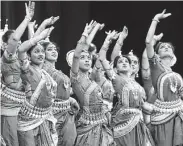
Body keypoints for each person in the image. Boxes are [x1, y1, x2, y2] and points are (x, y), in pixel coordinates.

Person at [99, 30, 155, 146]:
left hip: (139, 124)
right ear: (116, 69)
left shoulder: (139, 87)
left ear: (131, 67)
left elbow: (143, 106)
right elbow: (102, 58)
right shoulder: (116, 79)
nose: (124, 63)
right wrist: (107, 41)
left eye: (127, 62)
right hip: (121, 124)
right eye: (120, 62)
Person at [69, 20, 115, 146]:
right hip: (86, 125)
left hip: (102, 122)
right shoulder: (75, 77)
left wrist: (107, 41)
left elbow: (100, 58)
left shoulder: (92, 77)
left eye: (89, 58)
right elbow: (77, 55)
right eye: (83, 58)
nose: (87, 60)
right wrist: (85, 34)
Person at [17, 19, 58, 146]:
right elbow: (21, 50)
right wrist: (39, 35)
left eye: (42, 51)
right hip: (28, 121)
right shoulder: (27, 69)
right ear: (29, 56)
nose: (40, 54)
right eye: (36, 52)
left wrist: (40, 28)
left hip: (45, 118)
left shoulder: (45, 73)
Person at [145, 9, 183, 146]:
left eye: (169, 47)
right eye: (162, 47)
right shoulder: (156, 68)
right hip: (163, 119)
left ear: (173, 54)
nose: (166, 48)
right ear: (157, 54)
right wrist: (155, 19)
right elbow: (148, 43)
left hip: (179, 117)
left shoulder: (177, 75)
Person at [1, 2, 35, 146]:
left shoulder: (22, 59)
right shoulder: (7, 59)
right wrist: (26, 19)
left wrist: (31, 28)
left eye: (22, 40)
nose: (19, 43)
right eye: (15, 41)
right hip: (10, 110)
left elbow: (32, 46)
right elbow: (14, 40)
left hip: (25, 108)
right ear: (5, 45)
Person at [41, 40, 80, 146]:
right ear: (42, 53)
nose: (54, 51)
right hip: (52, 114)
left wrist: (70, 99)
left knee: (69, 141)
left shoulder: (59, 72)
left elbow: (63, 90)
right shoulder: (41, 71)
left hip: (67, 113)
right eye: (49, 49)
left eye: (55, 49)